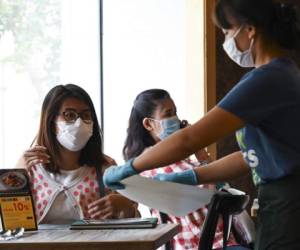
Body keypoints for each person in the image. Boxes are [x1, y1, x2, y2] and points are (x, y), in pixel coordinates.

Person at [103, 0, 300, 249]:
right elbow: (250, 157)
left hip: (287, 204)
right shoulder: (285, 74)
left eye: (227, 32)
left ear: (250, 30)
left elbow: (190, 139)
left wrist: (129, 167)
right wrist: (193, 176)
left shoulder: (266, 80)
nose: (226, 40)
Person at [123, 88, 239, 250]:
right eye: (168, 114)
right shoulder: (159, 164)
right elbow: (216, 190)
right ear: (148, 124)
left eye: (175, 113)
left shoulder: (149, 161)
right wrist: (198, 150)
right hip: (204, 245)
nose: (175, 119)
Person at [16, 84, 139, 224]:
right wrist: (14, 175)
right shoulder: (30, 168)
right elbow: (13, 225)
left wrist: (126, 207)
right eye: (69, 115)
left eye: (86, 115)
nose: (79, 123)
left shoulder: (105, 168)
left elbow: (133, 221)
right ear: (51, 121)